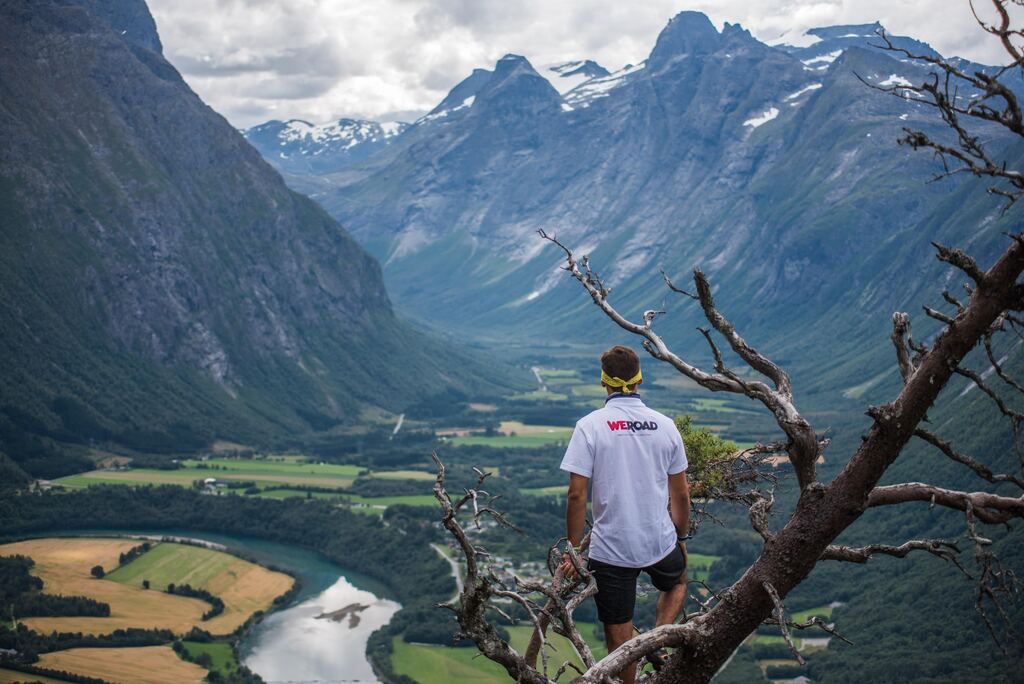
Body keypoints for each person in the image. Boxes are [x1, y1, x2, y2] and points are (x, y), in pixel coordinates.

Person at [558, 345, 690, 684]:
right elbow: (681, 493)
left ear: (604, 381)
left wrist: (573, 551)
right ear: (640, 378)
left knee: (619, 637)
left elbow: (577, 495)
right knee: (676, 582)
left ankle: (635, 667)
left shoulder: (589, 426)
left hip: (611, 549)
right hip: (658, 540)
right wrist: (681, 535)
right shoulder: (665, 426)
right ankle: (658, 638)